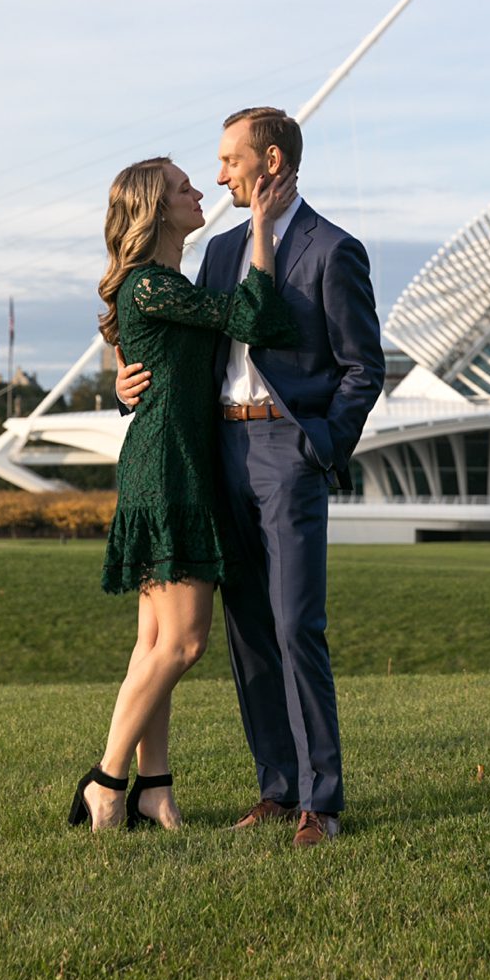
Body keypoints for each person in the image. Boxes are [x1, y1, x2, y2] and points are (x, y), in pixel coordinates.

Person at [116, 107, 385, 845]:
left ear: (269, 162)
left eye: (229, 159)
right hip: (218, 455)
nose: (218, 174)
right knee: (249, 632)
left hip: (285, 452)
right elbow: (175, 338)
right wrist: (122, 381)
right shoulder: (224, 249)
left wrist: (321, 442)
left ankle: (321, 804)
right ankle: (278, 786)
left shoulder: (335, 250)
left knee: (298, 624)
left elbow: (365, 369)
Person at [73, 155, 297, 831]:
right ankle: (107, 782)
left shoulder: (164, 283)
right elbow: (255, 318)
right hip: (169, 470)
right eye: (182, 187)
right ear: (154, 208)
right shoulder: (150, 286)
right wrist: (261, 226)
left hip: (171, 462)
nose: (199, 190)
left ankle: (155, 788)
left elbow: (152, 364)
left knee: (154, 642)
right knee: (185, 644)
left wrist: (120, 384)